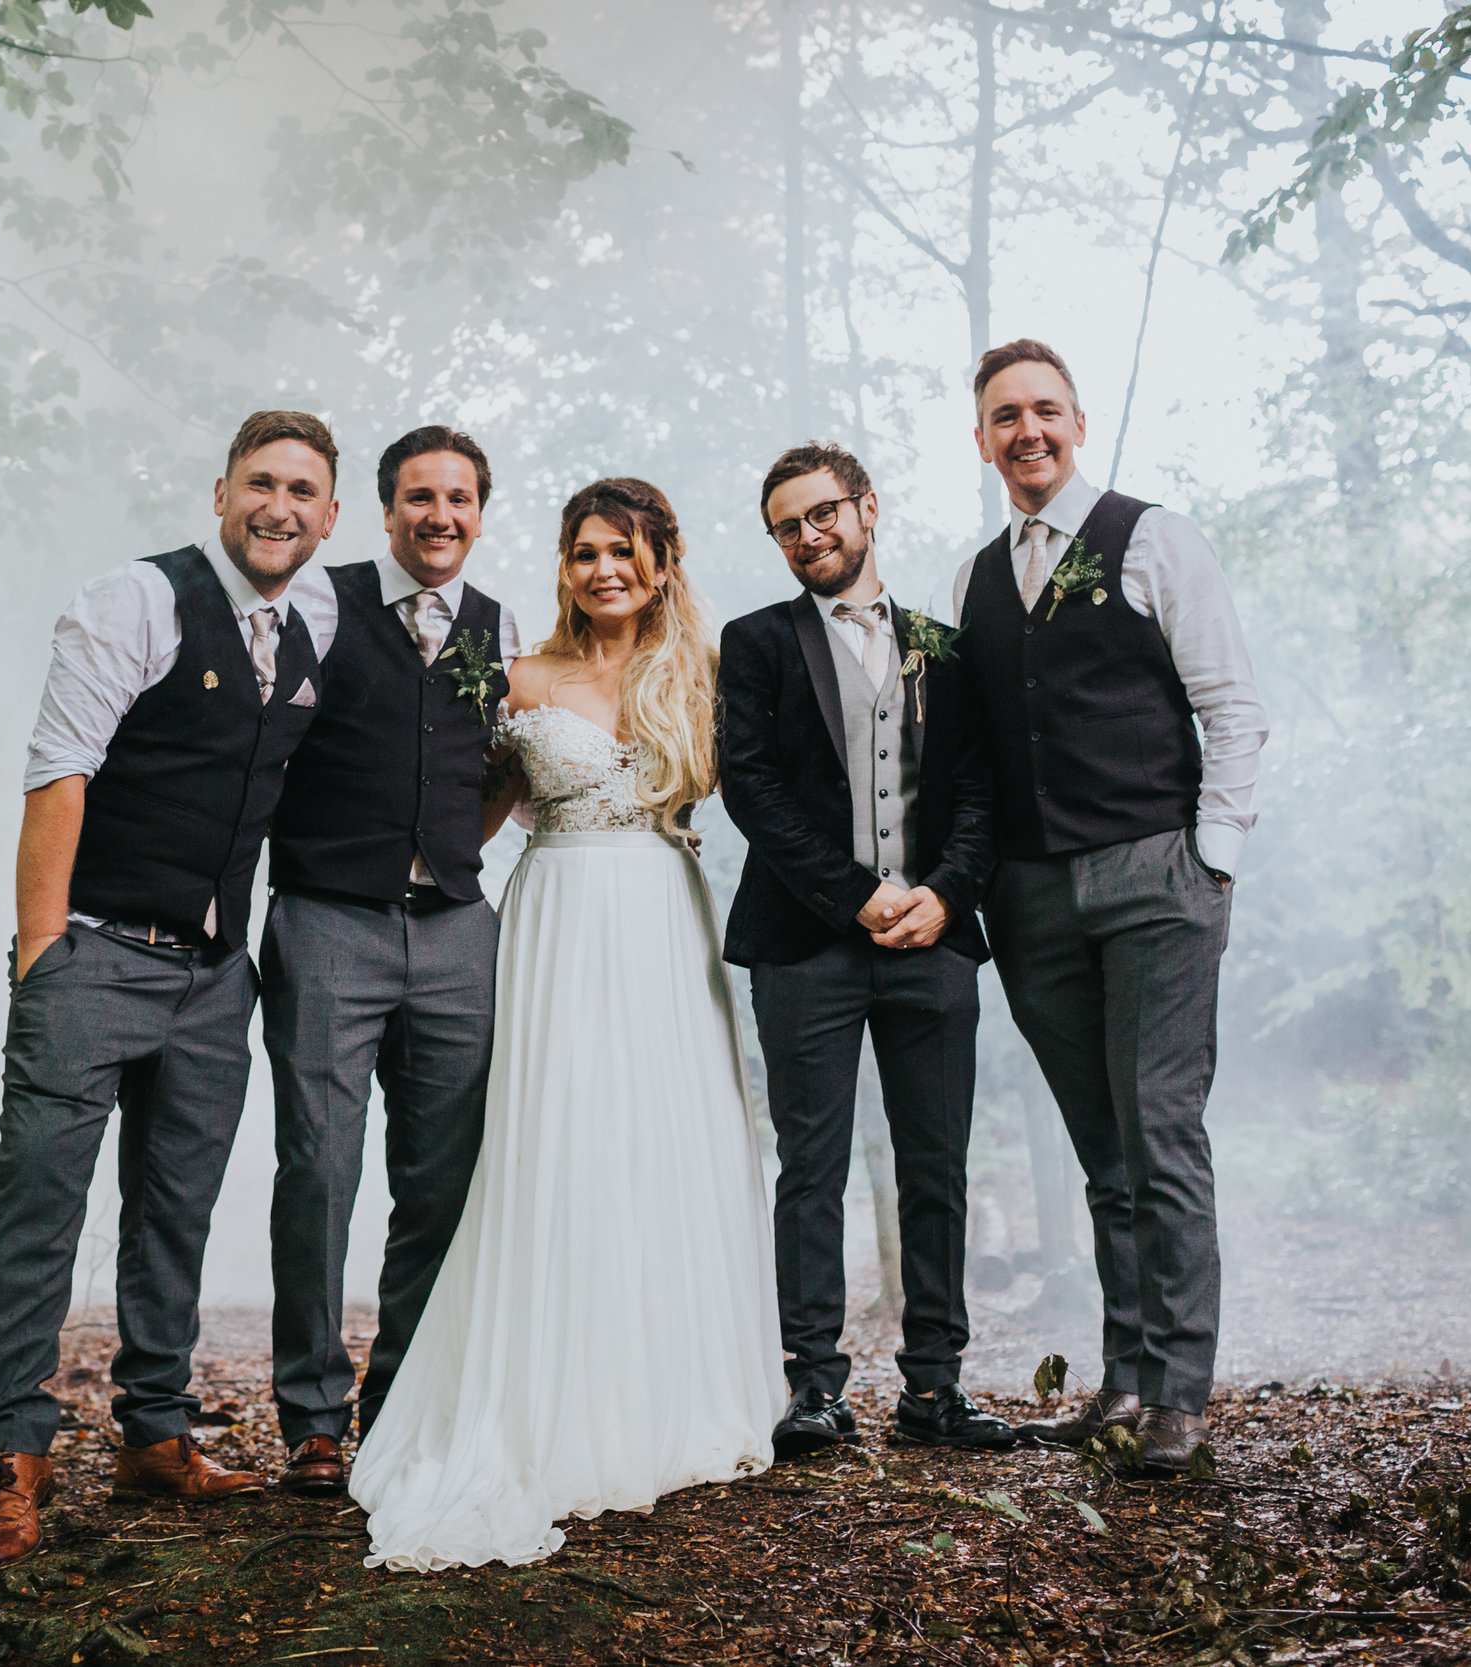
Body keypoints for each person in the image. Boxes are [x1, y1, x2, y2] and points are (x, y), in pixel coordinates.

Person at [347, 477, 783, 1571]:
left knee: (663, 1138)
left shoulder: (699, 674)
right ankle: (540, 1394)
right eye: (585, 551)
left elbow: (771, 789)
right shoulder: (519, 676)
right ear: (563, 564)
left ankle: (662, 1386)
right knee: (560, 1136)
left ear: (660, 564)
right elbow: (462, 807)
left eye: (624, 553)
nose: (603, 570)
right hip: (555, 917)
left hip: (661, 920)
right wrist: (387, 893)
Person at [0, 411, 343, 1570]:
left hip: (214, 976)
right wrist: (41, 952)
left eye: (305, 491)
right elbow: (59, 773)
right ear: (221, 492)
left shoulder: (320, 616)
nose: (281, 507)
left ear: (331, 516)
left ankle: (153, 1432)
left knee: (174, 1209)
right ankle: (12, 1459)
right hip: (92, 949)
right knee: (40, 1207)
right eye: (262, 483)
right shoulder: (132, 599)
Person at [950, 339, 1268, 1471]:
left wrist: (1210, 860)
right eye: (1003, 415)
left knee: (1161, 1134)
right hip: (1033, 899)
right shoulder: (978, 576)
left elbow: (1231, 704)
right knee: (1104, 1150)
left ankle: (1179, 1391)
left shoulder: (1153, 538)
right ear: (980, 437)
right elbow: (981, 752)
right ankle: (1125, 1380)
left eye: (1044, 410)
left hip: (1152, 876)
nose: (1025, 430)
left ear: (1075, 422)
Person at [719, 442, 1013, 1458]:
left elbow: (979, 788)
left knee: (937, 1162)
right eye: (788, 524)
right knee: (812, 1164)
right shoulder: (755, 642)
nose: (809, 535)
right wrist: (856, 896)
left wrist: (943, 893)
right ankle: (814, 1387)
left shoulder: (943, 640)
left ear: (867, 508)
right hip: (805, 945)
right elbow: (750, 789)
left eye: (823, 514)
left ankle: (935, 1387)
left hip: (932, 941)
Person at [260, 426, 524, 1497]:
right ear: (382, 509)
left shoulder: (497, 626)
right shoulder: (323, 604)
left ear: (479, 510)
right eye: (420, 496)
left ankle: (403, 1397)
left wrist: (461, 845)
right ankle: (313, 1417)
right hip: (329, 919)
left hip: (457, 927)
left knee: (442, 1179)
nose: (441, 515)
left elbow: (496, 765)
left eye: (459, 498)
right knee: (319, 1169)